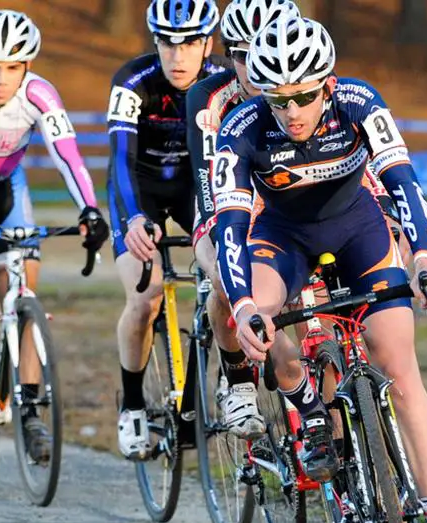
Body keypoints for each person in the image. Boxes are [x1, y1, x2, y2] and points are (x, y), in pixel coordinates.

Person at [213, 16, 427, 523]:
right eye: (279, 100)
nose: (294, 110)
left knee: (399, 370)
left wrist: (425, 259)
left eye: (305, 95)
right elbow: (230, 227)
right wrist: (244, 306)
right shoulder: (241, 128)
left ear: (326, 84)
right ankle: (306, 405)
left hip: (360, 233)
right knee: (261, 312)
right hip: (282, 240)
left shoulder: (358, 101)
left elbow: (402, 181)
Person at [0, 9, 109, 460]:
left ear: (27, 66)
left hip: (9, 189)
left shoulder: (40, 95)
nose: (1, 78)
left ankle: (30, 409)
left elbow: (68, 157)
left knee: (26, 281)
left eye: (12, 67)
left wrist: (90, 208)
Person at [106, 0, 227, 459]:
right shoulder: (133, 81)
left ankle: (207, 395)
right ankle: (133, 404)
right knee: (145, 295)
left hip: (196, 188)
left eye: (190, 43)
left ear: (208, 44)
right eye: (167, 44)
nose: (178, 57)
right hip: (141, 191)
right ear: (154, 42)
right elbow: (119, 159)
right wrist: (134, 216)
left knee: (225, 277)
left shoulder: (222, 81)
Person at [186, 0, 303, 442]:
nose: (254, 68)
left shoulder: (304, 86)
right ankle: (237, 382)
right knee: (223, 268)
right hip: (222, 193)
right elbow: (205, 176)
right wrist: (226, 236)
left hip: (284, 197)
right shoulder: (209, 96)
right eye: (240, 54)